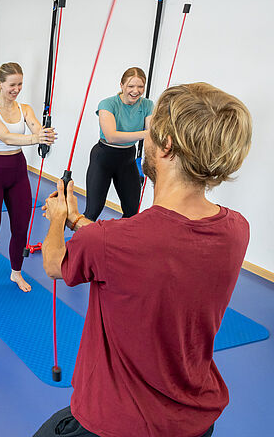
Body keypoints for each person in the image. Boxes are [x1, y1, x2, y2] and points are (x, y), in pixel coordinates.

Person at [35, 83, 252, 437]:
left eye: (150, 130)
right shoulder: (236, 230)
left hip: (116, 422)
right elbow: (150, 248)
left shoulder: (108, 241)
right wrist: (79, 221)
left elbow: (54, 264)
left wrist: (59, 219)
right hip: (195, 422)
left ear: (166, 146)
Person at [0, 63, 56, 299]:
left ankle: (16, 272)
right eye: (12, 84)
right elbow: (7, 137)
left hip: (18, 171)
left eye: (20, 84)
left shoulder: (25, 108)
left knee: (21, 229)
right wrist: (35, 138)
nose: (16, 89)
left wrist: (45, 135)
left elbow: (36, 128)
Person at [83, 67, 154, 220]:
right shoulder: (107, 104)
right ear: (121, 85)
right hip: (104, 157)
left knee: (132, 211)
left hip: (127, 158)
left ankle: (120, 241)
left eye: (140, 86)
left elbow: (152, 133)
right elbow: (111, 136)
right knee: (93, 211)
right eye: (131, 86)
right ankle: (78, 243)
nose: (136, 91)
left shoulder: (147, 105)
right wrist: (147, 134)